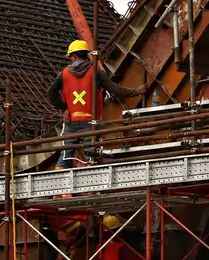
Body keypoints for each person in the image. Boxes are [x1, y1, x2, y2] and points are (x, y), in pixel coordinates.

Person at [46, 40, 146, 169]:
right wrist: (136, 91)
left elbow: (50, 93)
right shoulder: (96, 72)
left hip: (71, 121)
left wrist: (64, 108)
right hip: (90, 122)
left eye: (70, 57)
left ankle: (58, 183)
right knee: (91, 157)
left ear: (74, 56)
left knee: (65, 157)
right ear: (86, 54)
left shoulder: (64, 74)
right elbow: (115, 89)